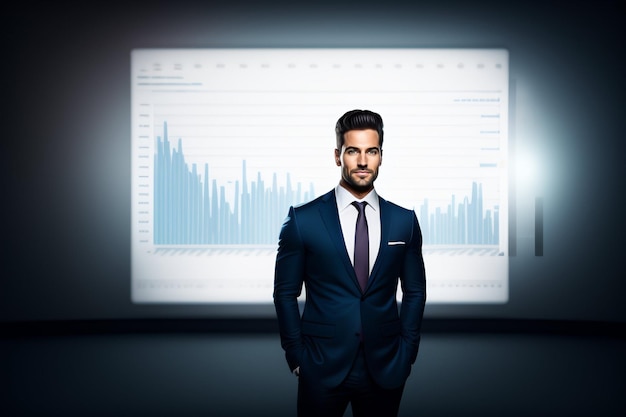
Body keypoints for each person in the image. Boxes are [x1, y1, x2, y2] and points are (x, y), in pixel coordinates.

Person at [273, 109, 427, 417]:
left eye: (371, 151)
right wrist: (297, 356)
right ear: (337, 155)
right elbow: (285, 293)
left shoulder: (404, 221)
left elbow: (415, 292)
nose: (362, 161)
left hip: (385, 365)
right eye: (352, 151)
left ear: (381, 156)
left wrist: (407, 352)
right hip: (320, 364)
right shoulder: (303, 220)